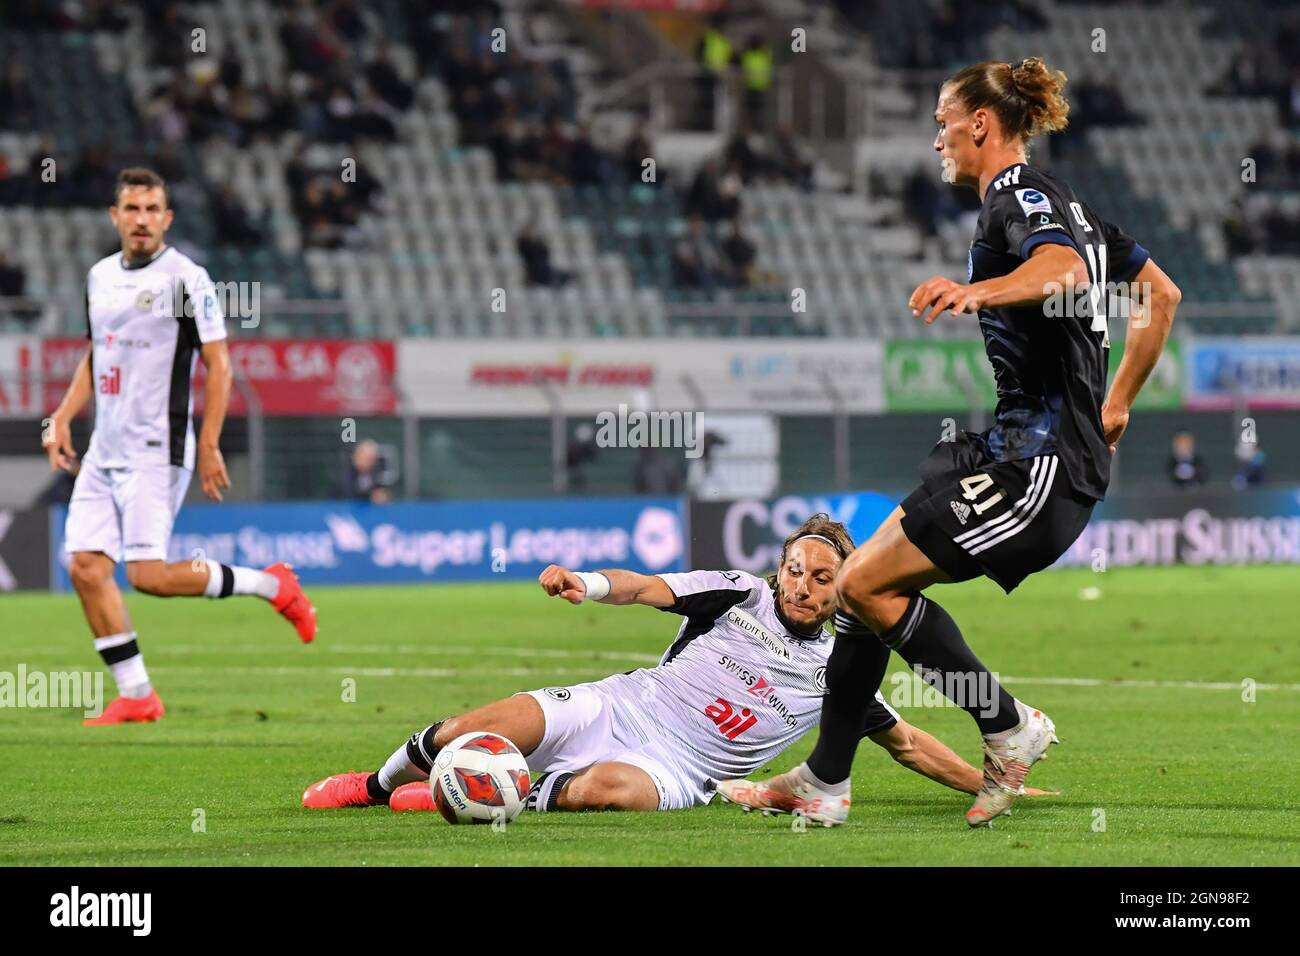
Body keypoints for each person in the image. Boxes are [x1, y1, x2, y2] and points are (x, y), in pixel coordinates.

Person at [725, 57, 1181, 828]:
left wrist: (977, 290)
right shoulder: (1077, 211)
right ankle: (826, 781)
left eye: (943, 120)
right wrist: (1119, 404)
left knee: (865, 588)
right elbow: (1160, 296)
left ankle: (1007, 727)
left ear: (981, 123)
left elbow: (1065, 270)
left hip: (1040, 467)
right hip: (1005, 448)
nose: (936, 136)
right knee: (859, 588)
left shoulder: (1018, 194)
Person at [302, 516, 1058, 813]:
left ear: (843, 591)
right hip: (617, 706)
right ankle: (374, 785)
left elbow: (909, 745)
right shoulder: (736, 594)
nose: (804, 585)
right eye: (796, 569)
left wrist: (997, 779)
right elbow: (645, 588)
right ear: (781, 567)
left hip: (678, 771)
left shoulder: (846, 665)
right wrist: (586, 582)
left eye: (823, 579)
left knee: (616, 791)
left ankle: (490, 792)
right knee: (476, 723)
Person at [43, 168, 318, 727]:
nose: (141, 219)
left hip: (155, 446)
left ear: (166, 218)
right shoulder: (98, 277)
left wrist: (211, 441)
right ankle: (138, 694)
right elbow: (99, 355)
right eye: (132, 209)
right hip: (104, 449)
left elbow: (219, 364)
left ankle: (272, 584)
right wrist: (63, 415)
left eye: (152, 209)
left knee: (148, 576)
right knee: (86, 568)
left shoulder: (187, 279)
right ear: (114, 216)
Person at [335, 438, 393, 503]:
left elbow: (385, 493)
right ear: (356, 457)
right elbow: (348, 494)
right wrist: (370, 497)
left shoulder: (377, 474)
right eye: (363, 458)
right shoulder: (346, 474)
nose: (365, 462)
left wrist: (384, 496)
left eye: (369, 459)